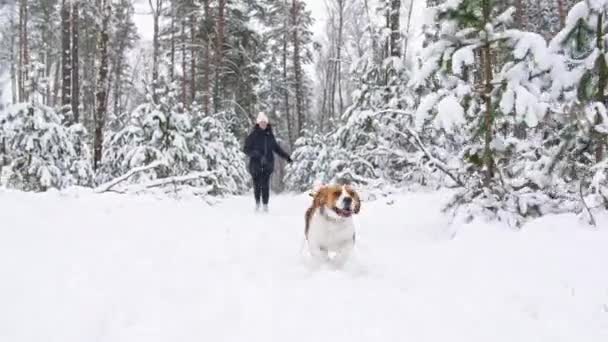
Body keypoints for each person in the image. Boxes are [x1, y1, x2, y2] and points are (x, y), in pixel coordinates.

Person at [244, 112, 292, 212]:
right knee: (257, 185)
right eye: (261, 123)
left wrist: (287, 157)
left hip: (268, 164)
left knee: (265, 185)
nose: (263, 124)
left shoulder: (270, 136)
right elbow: (246, 149)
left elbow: (277, 149)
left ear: (267, 124)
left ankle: (265, 204)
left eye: (265, 123)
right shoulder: (253, 135)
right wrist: (256, 154)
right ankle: (257, 203)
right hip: (255, 164)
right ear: (258, 123)